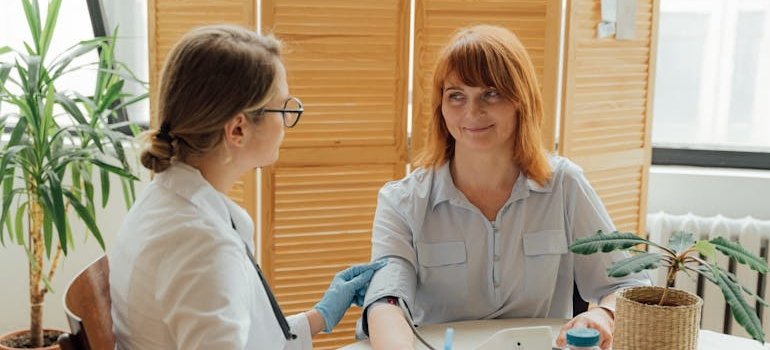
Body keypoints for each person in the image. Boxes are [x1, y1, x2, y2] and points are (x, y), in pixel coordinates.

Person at [360, 24, 651, 350]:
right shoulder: (401, 202)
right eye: (456, 95)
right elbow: (385, 302)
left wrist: (604, 316)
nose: (472, 112)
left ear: (520, 100)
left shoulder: (565, 185)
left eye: (491, 93)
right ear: (440, 108)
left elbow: (628, 284)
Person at [108, 24, 385, 350]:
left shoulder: (166, 200)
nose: (286, 123)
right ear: (238, 129)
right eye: (283, 109)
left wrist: (318, 317)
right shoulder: (203, 244)